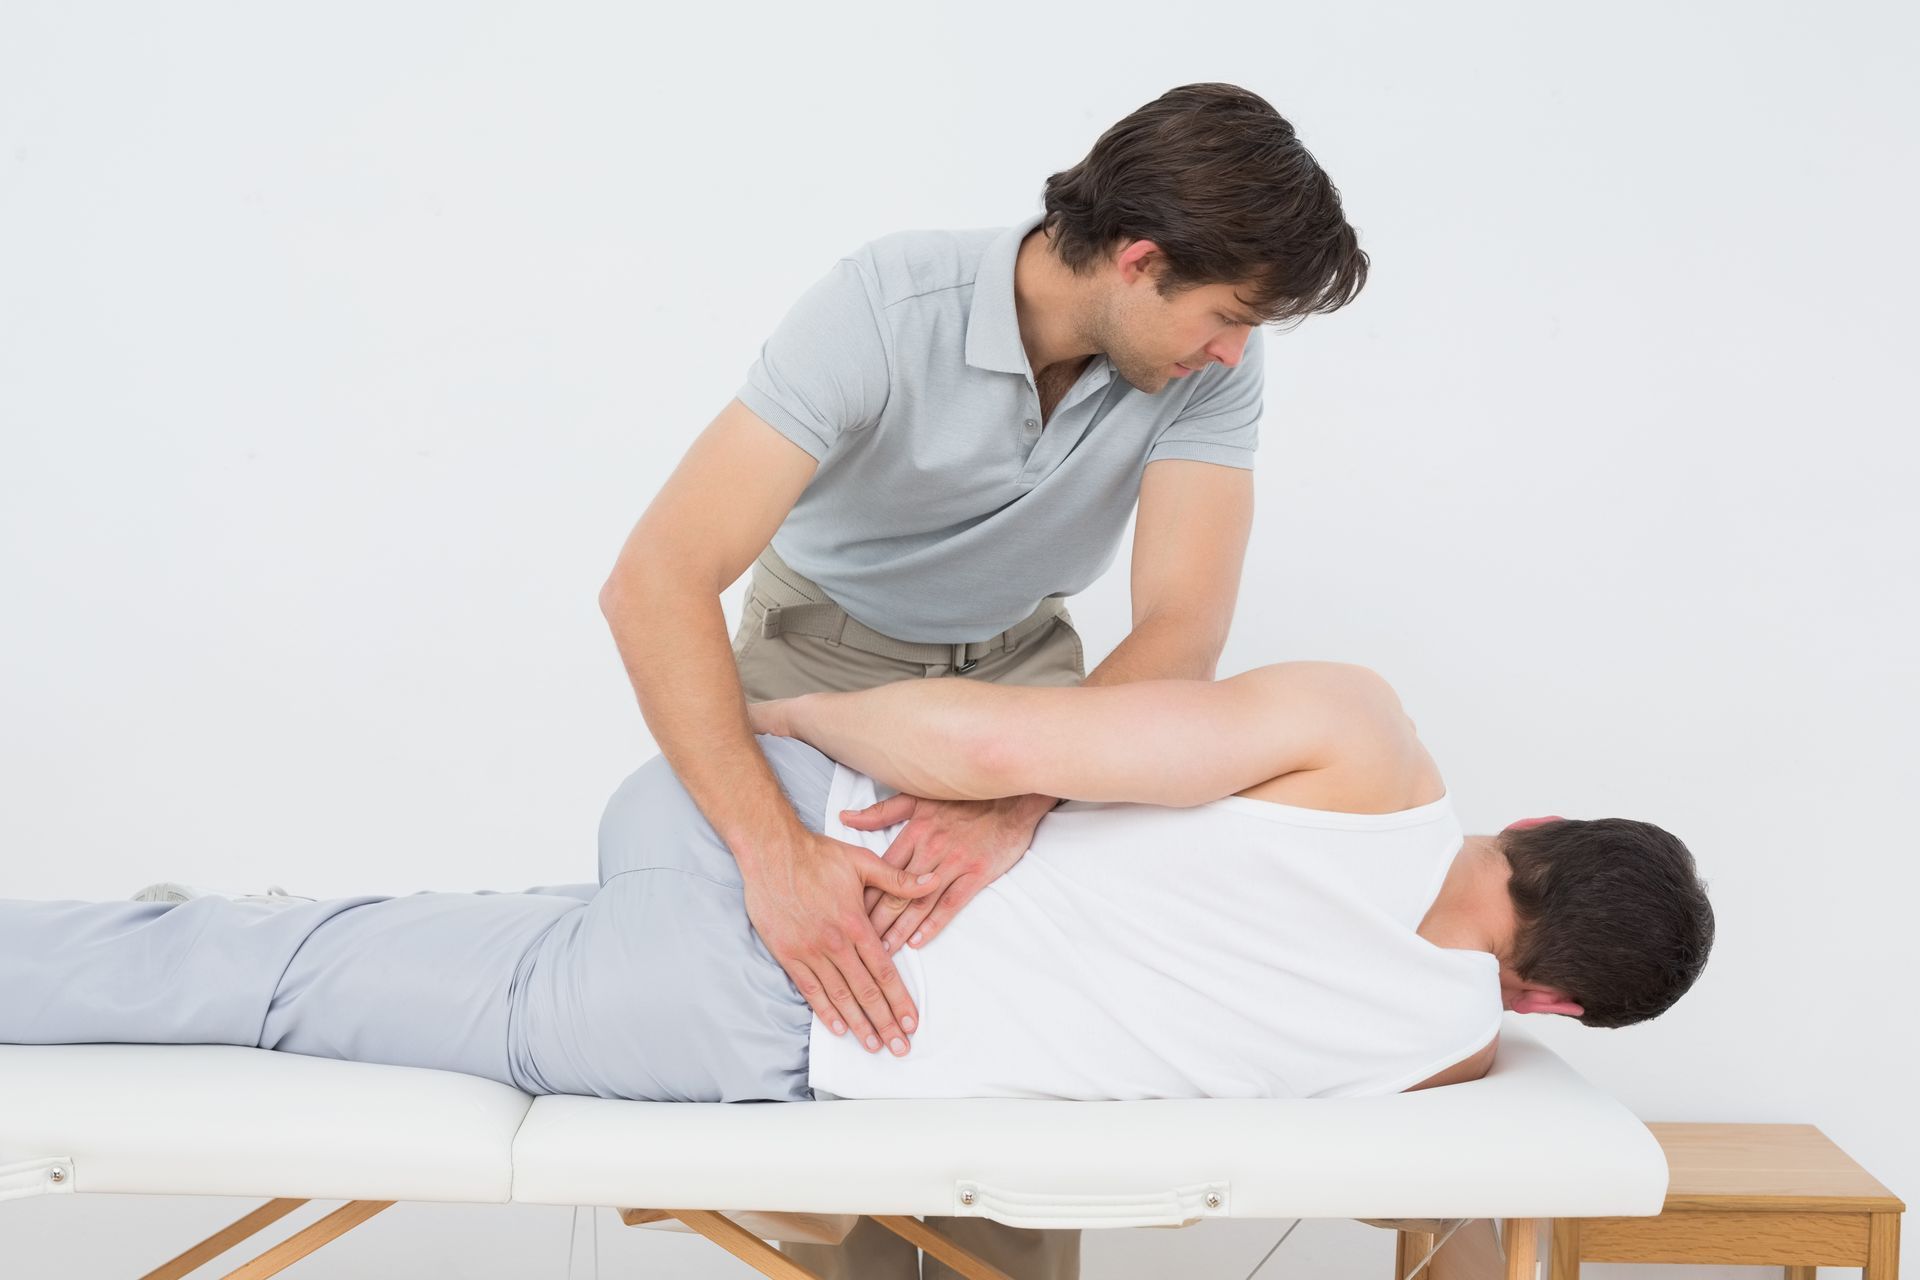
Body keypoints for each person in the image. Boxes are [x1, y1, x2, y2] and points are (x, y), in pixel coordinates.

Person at [598, 81, 1369, 1278]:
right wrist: (775, 853)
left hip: (1028, 682)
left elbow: (1181, 625)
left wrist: (1023, 792)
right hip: (821, 659)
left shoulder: (1213, 368)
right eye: (1222, 316)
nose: (1232, 350)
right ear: (1137, 260)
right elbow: (655, 579)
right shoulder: (882, 304)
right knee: (838, 1024)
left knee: (1021, 1045)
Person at [0, 661, 1714, 1107]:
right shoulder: (1444, 1058)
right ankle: (185, 950)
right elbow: (1472, 1029)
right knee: (288, 977)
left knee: (283, 951)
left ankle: (151, 944)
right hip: (726, 1028)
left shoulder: (1360, 748)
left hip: (777, 829)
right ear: (1553, 999)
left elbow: (982, 733)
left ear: (1540, 823)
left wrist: (767, 722)